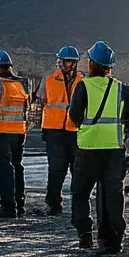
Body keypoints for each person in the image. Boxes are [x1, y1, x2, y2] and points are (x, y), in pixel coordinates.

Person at [68, 41, 129, 254]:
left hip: (88, 149)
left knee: (81, 193)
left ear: (91, 63)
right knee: (112, 196)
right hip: (114, 150)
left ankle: (84, 237)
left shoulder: (84, 86)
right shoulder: (121, 88)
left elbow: (74, 118)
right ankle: (113, 241)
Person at [0, 49, 30, 217]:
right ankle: (20, 204)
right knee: (17, 166)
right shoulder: (22, 83)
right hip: (19, 131)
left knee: (5, 169)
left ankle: (8, 207)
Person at [39, 46, 83, 216]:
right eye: (67, 61)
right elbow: (42, 100)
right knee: (56, 170)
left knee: (77, 170)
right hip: (54, 131)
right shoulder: (49, 79)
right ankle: (53, 204)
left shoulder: (82, 80)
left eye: (73, 62)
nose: (70, 65)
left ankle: (78, 204)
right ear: (60, 62)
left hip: (74, 130)